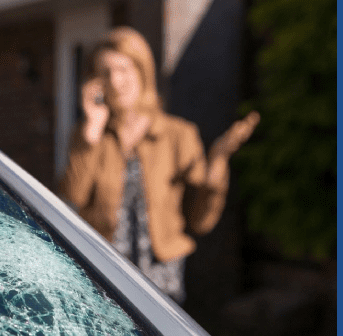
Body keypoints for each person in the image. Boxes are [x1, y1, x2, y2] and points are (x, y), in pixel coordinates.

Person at [59, 27, 259, 304]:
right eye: (105, 72)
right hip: (102, 276)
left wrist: (218, 162)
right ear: (95, 82)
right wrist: (90, 134)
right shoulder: (89, 136)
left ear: (142, 71)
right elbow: (72, 199)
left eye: (123, 68)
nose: (115, 81)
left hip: (163, 280)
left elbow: (201, 220)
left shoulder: (179, 134)